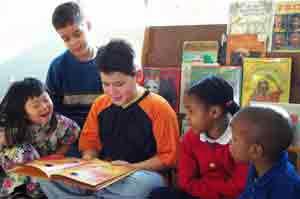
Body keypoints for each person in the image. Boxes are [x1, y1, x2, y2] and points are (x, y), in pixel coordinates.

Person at [38, 39, 180, 199]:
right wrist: (86, 164)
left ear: (138, 76)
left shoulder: (159, 108)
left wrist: (132, 167)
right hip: (104, 175)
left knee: (137, 187)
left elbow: (168, 158)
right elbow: (90, 144)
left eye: (119, 84)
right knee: (45, 177)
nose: (112, 92)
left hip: (141, 174)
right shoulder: (100, 104)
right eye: (106, 84)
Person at [150, 76, 248, 199]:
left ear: (214, 112)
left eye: (191, 111)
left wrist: (206, 187)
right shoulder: (189, 139)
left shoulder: (242, 140)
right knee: (159, 195)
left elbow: (239, 187)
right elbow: (185, 182)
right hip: (200, 195)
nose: (187, 118)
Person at [0, 78, 80, 198]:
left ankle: (42, 192)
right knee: (24, 150)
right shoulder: (12, 128)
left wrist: (58, 155)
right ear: (23, 112)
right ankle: (20, 194)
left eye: (45, 100)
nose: (44, 107)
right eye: (36, 105)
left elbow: (72, 135)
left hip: (45, 170)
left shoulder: (59, 122)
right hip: (18, 171)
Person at [46, 1, 103, 129]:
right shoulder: (57, 67)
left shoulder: (107, 59)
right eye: (66, 39)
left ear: (88, 26)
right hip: (69, 132)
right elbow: (52, 109)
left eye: (77, 34)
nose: (73, 42)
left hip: (104, 128)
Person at [230, 106, 300, 199]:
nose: (230, 141)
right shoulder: (256, 165)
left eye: (235, 139)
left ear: (255, 151)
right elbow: (247, 195)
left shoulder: (286, 185)